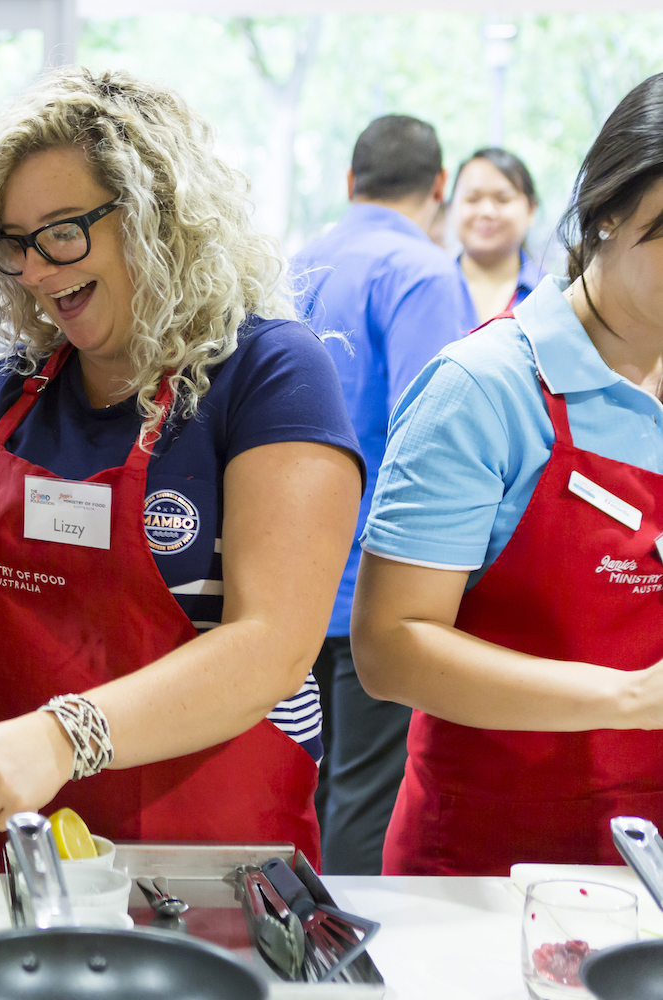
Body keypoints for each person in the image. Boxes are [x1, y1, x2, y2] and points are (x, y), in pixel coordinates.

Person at [0, 69, 362, 865]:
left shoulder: (269, 373)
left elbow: (273, 644)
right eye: (15, 243)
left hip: (203, 865)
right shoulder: (3, 390)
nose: (36, 270)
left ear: (158, 215)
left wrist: (67, 735)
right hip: (5, 851)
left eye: (63, 231)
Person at [354, 73, 663, 876]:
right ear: (605, 215)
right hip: (493, 867)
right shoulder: (484, 389)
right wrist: (634, 700)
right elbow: (391, 647)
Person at [289, 114, 479, 875]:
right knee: (366, 796)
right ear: (439, 187)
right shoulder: (425, 273)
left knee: (296, 785)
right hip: (377, 580)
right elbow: (434, 438)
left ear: (349, 182)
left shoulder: (299, 264)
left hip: (286, 580)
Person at [451, 147, 547, 323]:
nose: (487, 211)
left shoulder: (551, 296)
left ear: (531, 209)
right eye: (472, 199)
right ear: (452, 207)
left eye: (502, 199)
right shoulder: (426, 288)